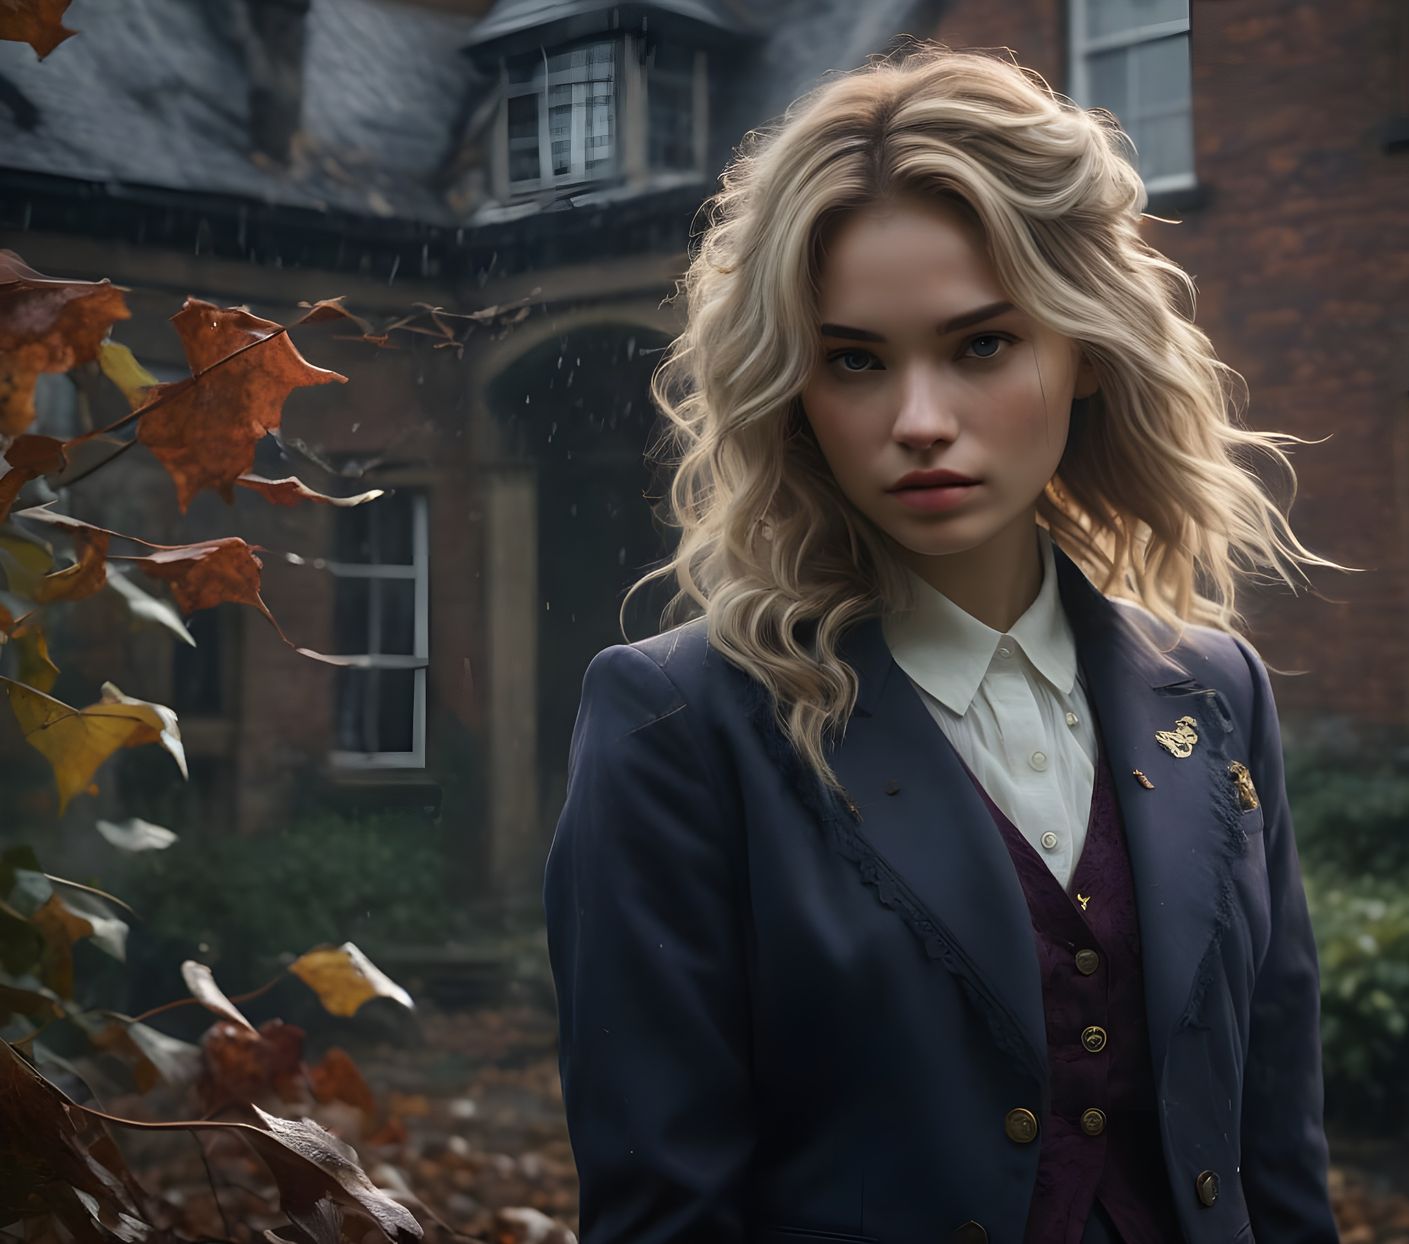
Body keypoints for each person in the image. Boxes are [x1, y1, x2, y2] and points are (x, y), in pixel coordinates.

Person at [543, 40, 1346, 1244]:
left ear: (1081, 347)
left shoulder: (1215, 690)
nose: (919, 422)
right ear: (792, 392)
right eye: (854, 361)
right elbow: (664, 1211)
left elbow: (1274, 1158)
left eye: (980, 345)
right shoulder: (675, 725)